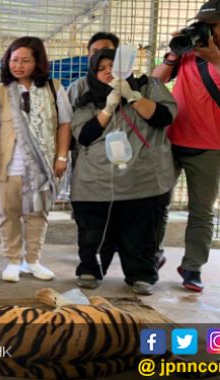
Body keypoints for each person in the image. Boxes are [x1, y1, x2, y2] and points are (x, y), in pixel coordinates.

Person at [71, 48, 177, 295]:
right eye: (102, 68)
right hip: (96, 181)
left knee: (140, 232)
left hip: (140, 179)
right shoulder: (86, 98)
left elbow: (164, 117)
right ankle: (90, 268)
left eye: (113, 65)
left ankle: (141, 274)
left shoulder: (148, 86)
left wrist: (133, 97)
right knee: (93, 233)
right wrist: (107, 110)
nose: (109, 72)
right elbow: (84, 135)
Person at [152, 1, 220, 293]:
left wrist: (215, 58)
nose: (206, 30)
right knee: (157, 204)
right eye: (202, 24)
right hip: (172, 139)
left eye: (212, 24)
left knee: (201, 211)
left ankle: (192, 267)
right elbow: (155, 83)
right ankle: (152, 255)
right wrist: (172, 56)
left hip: (210, 146)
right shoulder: (187, 53)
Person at [0, 37, 72, 283]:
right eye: (14, 60)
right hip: (8, 164)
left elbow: (65, 124)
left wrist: (61, 157)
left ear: (38, 62)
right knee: (8, 213)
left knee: (38, 213)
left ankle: (33, 260)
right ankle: (13, 260)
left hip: (43, 166)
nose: (18, 65)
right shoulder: (0, 91)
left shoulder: (54, 88)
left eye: (25, 60)